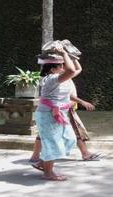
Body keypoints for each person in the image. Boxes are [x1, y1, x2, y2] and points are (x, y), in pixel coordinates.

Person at [34, 47, 81, 181]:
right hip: (48, 115)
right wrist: (64, 53)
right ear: (53, 69)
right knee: (52, 143)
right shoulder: (51, 79)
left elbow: (77, 70)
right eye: (61, 65)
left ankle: (43, 163)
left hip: (58, 115)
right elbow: (72, 70)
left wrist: (71, 55)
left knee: (70, 138)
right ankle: (48, 173)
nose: (63, 67)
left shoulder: (59, 77)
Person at [29, 81, 99, 162]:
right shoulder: (57, 79)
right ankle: (85, 153)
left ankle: (36, 156)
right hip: (61, 110)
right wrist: (78, 102)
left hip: (59, 109)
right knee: (76, 131)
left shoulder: (59, 78)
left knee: (45, 132)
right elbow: (66, 96)